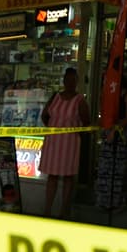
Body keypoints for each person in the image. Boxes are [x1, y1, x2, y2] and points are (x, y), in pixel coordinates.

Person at [39, 66, 91, 219]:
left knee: (68, 177)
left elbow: (86, 120)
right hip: (53, 143)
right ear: (63, 80)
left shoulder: (80, 100)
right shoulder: (55, 96)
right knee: (52, 176)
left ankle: (63, 211)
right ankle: (47, 210)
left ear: (77, 81)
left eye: (73, 80)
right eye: (67, 79)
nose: (69, 82)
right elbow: (45, 115)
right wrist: (53, 128)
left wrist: (74, 132)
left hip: (70, 144)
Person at [95, 73, 127, 211]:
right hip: (110, 133)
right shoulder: (111, 95)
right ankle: (104, 201)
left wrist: (115, 129)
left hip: (122, 136)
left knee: (120, 170)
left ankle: (118, 203)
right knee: (106, 168)